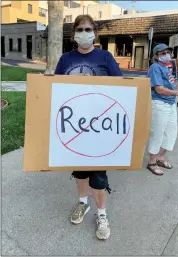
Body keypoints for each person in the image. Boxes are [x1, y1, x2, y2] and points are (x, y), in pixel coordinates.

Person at [55, 14, 122, 240]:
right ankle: (83, 203)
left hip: (100, 127)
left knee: (99, 175)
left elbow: (121, 87)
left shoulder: (105, 57)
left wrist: (94, 82)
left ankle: (101, 215)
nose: (84, 33)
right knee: (81, 170)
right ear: (74, 33)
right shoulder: (65, 59)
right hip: (74, 126)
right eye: (80, 29)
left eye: (88, 29)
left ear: (94, 31)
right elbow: (54, 88)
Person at [146, 43, 178, 176]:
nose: (166, 55)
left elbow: (175, 84)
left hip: (170, 105)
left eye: (167, 52)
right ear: (156, 56)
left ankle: (160, 157)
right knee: (157, 133)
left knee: (171, 132)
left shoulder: (166, 68)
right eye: (162, 53)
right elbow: (159, 89)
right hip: (159, 103)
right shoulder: (155, 67)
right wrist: (177, 93)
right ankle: (152, 162)